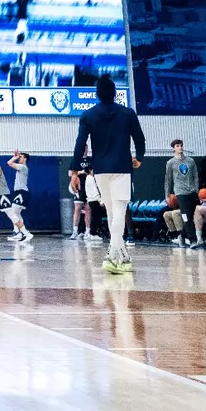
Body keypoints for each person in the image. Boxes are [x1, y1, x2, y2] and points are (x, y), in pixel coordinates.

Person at [69, 75, 144, 274]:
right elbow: (140, 139)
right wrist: (140, 157)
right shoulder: (128, 113)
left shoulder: (88, 115)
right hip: (121, 168)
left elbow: (80, 144)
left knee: (112, 213)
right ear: (115, 93)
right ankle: (112, 255)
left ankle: (124, 257)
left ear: (97, 94)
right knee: (119, 212)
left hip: (100, 170)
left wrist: (74, 170)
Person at [164, 140, 201, 248]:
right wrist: (167, 195)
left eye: (181, 145)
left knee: (191, 216)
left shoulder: (190, 161)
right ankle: (193, 240)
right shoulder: (170, 163)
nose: (180, 147)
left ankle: (181, 236)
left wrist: (196, 190)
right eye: (177, 146)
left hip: (192, 192)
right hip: (180, 193)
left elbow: (195, 176)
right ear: (173, 148)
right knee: (186, 217)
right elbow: (168, 180)